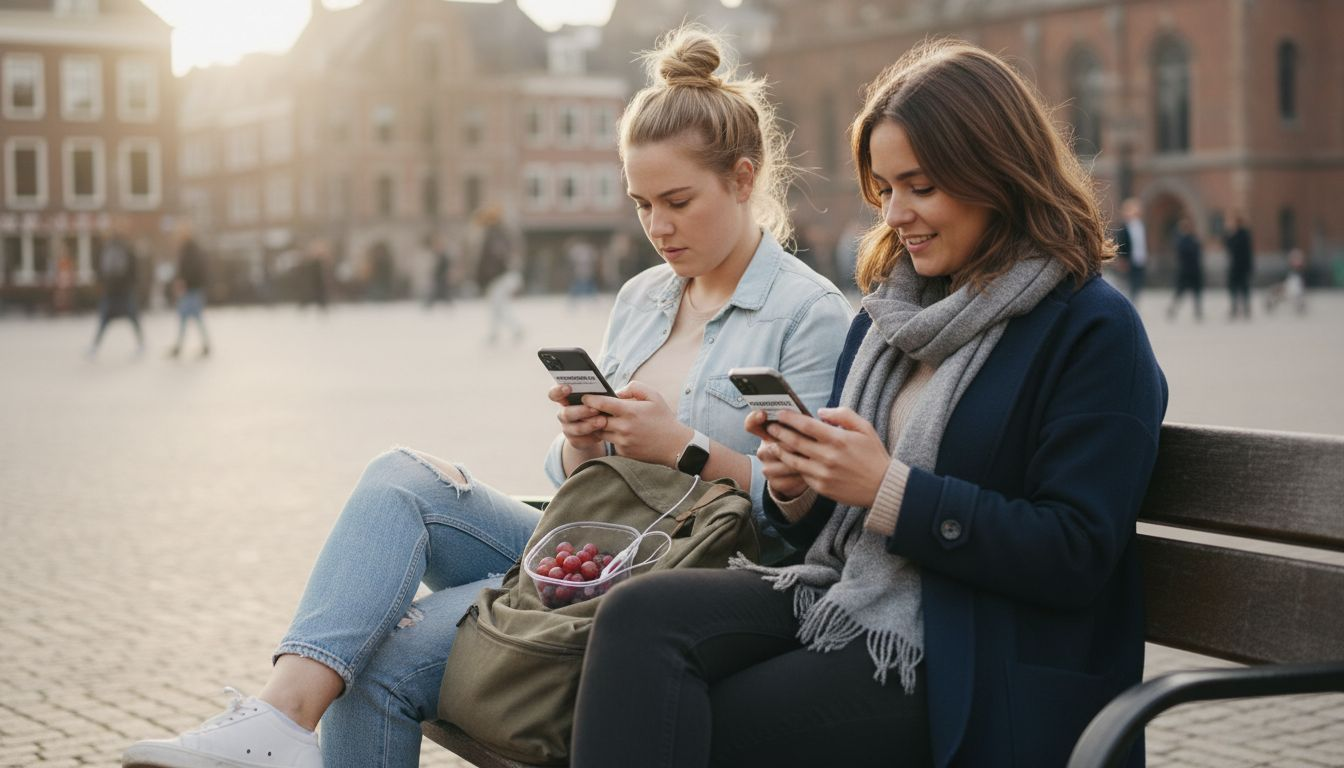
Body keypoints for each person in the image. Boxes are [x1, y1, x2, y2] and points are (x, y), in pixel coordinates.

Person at [122, 24, 853, 768]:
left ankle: (279, 729)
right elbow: (582, 481)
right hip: (596, 540)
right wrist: (581, 438)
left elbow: (808, 516)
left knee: (379, 660)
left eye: (678, 201)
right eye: (641, 204)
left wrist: (682, 448)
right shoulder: (641, 298)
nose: (657, 227)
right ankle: (280, 718)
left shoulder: (809, 313)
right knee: (400, 478)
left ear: (741, 179)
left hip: (698, 571)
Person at [570, 39, 1167, 768]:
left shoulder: (1092, 329)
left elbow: (1076, 553)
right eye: (883, 189)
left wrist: (888, 489)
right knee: (637, 616)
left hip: (977, 646)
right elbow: (834, 522)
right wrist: (797, 485)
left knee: (685, 716)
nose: (896, 213)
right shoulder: (892, 317)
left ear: (997, 174)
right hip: (857, 591)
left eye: (921, 187)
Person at [87, 218, 145, 358]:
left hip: (116, 290)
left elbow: (102, 268)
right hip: (119, 290)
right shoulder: (123, 247)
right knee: (125, 318)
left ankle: (95, 346)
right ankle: (141, 344)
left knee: (109, 319)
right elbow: (134, 270)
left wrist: (101, 283)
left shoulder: (112, 248)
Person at [474, 204, 525, 343]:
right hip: (500, 276)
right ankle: (499, 332)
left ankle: (512, 329)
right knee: (497, 305)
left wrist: (484, 277)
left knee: (497, 305)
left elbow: (493, 258)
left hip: (500, 277)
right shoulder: (497, 232)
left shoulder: (494, 234)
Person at [168, 223, 211, 358]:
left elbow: (193, 269)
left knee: (192, 317)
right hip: (189, 289)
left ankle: (195, 345)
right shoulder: (185, 248)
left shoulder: (192, 249)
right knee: (187, 318)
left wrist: (184, 281)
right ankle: (184, 346)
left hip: (192, 289)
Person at [1114, 196, 1149, 307]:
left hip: (1140, 258)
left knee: (1138, 282)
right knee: (1128, 283)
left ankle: (1134, 301)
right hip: (1129, 259)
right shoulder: (1124, 227)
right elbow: (1121, 244)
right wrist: (1122, 259)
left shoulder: (1141, 225)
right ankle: (1129, 303)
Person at [1168, 216, 1204, 321]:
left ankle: (1196, 310)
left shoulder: (1188, 239)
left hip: (1189, 269)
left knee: (1191, 291)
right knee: (1183, 291)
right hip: (1188, 269)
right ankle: (1174, 308)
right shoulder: (1186, 240)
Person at [1224, 211, 1253, 319]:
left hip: (1241, 265)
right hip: (1235, 265)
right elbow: (1227, 245)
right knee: (1234, 287)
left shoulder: (1243, 234)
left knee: (1243, 288)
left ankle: (1244, 308)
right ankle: (1235, 307)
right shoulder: (1234, 234)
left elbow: (1247, 251)